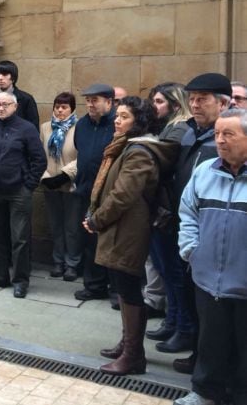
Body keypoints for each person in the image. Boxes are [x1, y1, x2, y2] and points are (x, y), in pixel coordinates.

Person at [83, 97, 177, 376]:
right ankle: (127, 343)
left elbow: (123, 194)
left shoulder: (139, 151)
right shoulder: (126, 147)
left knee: (128, 288)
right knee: (123, 286)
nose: (117, 120)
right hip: (118, 227)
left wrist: (97, 219)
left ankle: (134, 355)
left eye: (124, 116)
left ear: (139, 121)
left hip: (128, 228)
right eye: (118, 116)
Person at [174, 108, 247, 405]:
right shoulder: (205, 171)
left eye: (228, 134)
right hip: (208, 278)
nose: (220, 140)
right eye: (217, 134)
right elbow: (187, 212)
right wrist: (192, 250)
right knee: (211, 340)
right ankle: (206, 391)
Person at [165, 73, 231, 374]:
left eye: (202, 99)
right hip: (186, 228)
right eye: (191, 99)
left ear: (223, 103)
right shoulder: (190, 132)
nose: (195, 104)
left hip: (217, 235)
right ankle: (197, 353)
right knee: (191, 297)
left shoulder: (225, 139)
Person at [0, 91, 46, 298]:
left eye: (5, 104)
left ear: (15, 106)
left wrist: (28, 185)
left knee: (20, 237)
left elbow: (39, 160)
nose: (0, 108)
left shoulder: (26, 129)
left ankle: (20, 280)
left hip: (18, 191)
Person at [145, 82, 191, 337]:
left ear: (175, 104)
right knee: (165, 269)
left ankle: (181, 325)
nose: (155, 106)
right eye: (153, 101)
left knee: (173, 271)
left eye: (160, 102)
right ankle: (172, 322)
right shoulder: (167, 127)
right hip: (161, 208)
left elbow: (159, 163)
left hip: (168, 210)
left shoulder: (179, 129)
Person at [72, 83, 116, 303]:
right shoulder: (82, 125)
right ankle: (94, 286)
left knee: (112, 243)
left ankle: (117, 291)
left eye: (95, 100)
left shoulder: (118, 125)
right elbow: (81, 150)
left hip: (110, 195)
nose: (90, 104)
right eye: (88, 100)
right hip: (86, 192)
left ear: (109, 102)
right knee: (89, 242)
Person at [39, 92, 80, 281]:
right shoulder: (45, 128)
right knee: (55, 226)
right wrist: (46, 177)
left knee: (72, 228)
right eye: (57, 106)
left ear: (72, 108)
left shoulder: (79, 127)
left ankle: (72, 264)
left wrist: (65, 175)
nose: (60, 110)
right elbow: (39, 155)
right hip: (50, 184)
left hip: (71, 184)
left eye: (64, 106)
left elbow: (83, 156)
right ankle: (58, 262)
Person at [0, 60, 39, 129]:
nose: (0, 78)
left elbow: (33, 127)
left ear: (13, 78)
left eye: (5, 74)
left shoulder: (26, 99)